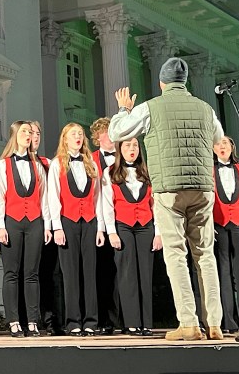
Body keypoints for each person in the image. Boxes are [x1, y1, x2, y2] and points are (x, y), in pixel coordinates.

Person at [110, 56, 225, 342]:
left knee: (176, 254)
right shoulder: (205, 108)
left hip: (169, 189)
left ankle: (189, 324)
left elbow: (116, 132)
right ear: (184, 82)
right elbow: (218, 138)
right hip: (202, 187)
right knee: (205, 255)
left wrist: (123, 109)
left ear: (162, 83)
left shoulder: (151, 107)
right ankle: (214, 324)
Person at [0, 120, 50, 337]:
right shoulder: (3, 165)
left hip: (34, 221)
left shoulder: (37, 166)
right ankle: (14, 321)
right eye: (24, 131)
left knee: (32, 273)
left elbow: (44, 197)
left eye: (30, 132)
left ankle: (32, 321)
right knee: (11, 273)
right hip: (12, 221)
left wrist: (46, 225)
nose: (29, 135)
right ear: (15, 135)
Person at [46, 121, 103, 336]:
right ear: (65, 139)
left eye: (80, 134)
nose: (78, 137)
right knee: (70, 274)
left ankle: (91, 321)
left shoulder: (91, 163)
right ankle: (73, 321)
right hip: (67, 221)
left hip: (89, 221)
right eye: (73, 134)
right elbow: (53, 197)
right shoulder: (57, 164)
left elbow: (97, 197)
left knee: (90, 273)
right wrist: (57, 227)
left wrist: (99, 227)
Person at [101, 137, 161, 336]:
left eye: (135, 145)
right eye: (127, 145)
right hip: (123, 226)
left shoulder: (148, 172)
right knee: (127, 275)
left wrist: (158, 233)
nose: (132, 149)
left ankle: (146, 323)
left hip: (146, 226)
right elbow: (107, 204)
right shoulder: (110, 172)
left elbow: (156, 204)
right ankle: (131, 323)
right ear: (120, 149)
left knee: (145, 274)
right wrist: (111, 231)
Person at [212, 136, 239, 334]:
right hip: (218, 225)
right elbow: (206, 200)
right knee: (223, 272)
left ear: (232, 147)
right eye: (218, 144)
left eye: (225, 143)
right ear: (213, 149)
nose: (222, 147)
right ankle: (229, 323)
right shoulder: (209, 171)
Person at [26, 120, 65, 335]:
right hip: (25, 224)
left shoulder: (48, 163)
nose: (35, 137)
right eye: (31, 133)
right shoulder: (10, 163)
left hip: (46, 224)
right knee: (28, 273)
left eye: (38, 133)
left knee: (51, 274)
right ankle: (28, 319)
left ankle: (52, 320)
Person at [90, 117, 121, 335]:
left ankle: (122, 318)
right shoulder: (90, 159)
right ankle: (102, 319)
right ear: (97, 136)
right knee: (100, 271)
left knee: (121, 272)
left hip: (121, 219)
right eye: (106, 132)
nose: (110, 137)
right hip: (96, 223)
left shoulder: (124, 158)